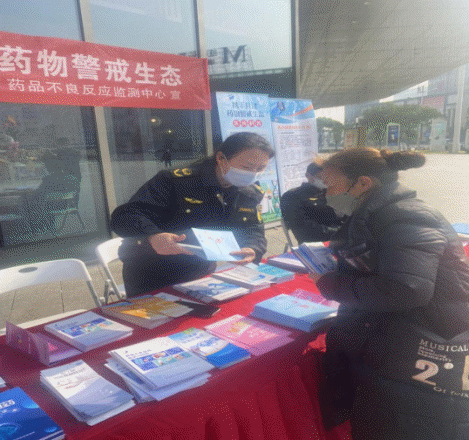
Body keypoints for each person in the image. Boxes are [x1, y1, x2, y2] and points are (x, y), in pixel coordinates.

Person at [308, 147, 469, 439]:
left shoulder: (406, 217)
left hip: (417, 346)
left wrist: (331, 284)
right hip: (393, 337)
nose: (326, 193)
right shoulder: (379, 212)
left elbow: (406, 288)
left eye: (330, 184)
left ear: (363, 183)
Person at [110, 132, 274, 297]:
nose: (253, 173)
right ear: (221, 158)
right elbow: (124, 217)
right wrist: (153, 236)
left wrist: (252, 248)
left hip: (201, 273)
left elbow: (253, 228)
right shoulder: (176, 181)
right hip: (152, 272)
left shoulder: (249, 192)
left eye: (260, 168)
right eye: (246, 167)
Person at [280, 162, 344, 243]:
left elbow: (342, 216)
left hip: (341, 238)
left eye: (329, 177)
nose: (326, 181)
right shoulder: (292, 196)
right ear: (308, 176)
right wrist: (342, 233)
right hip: (319, 243)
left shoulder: (330, 192)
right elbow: (304, 231)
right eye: (321, 177)